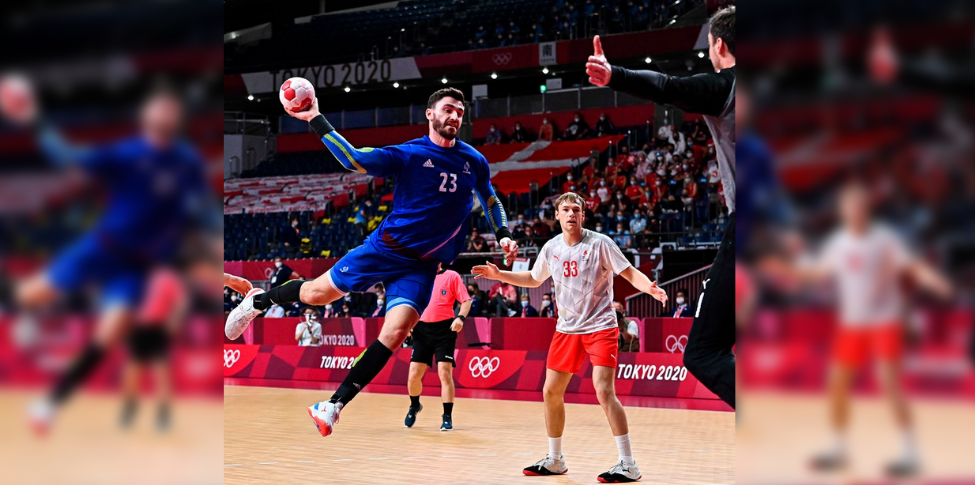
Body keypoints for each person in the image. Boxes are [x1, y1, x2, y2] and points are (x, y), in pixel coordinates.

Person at [225, 87, 519, 438]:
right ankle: (258, 301)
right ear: (430, 114)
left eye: (459, 111)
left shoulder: (474, 160)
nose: (455, 116)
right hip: (384, 250)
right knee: (318, 295)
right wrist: (315, 118)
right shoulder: (409, 153)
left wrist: (502, 231)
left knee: (394, 334)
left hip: (422, 266)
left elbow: (489, 197)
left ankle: (332, 405)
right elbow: (352, 159)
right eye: (447, 109)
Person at [1, 81, 212, 434]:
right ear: (145, 116)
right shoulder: (124, 153)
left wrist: (213, 240)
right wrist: (34, 120)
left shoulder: (186, 161)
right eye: (158, 106)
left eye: (171, 107)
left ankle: (49, 405)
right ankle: (21, 313)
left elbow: (202, 208)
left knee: (108, 335)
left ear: (178, 119)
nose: (165, 111)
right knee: (29, 295)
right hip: (101, 247)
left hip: (136, 268)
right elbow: (68, 157)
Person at [588, 6, 736, 409]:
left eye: (709, 46)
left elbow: (668, 86)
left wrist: (615, 74)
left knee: (705, 352)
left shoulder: (728, 86)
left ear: (719, 44)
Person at [472, 192, 667, 483]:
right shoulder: (551, 248)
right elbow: (534, 279)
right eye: (566, 209)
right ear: (558, 216)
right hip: (566, 330)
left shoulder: (600, 243)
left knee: (603, 391)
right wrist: (501, 274)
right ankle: (555, 459)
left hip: (600, 327)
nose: (572, 213)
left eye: (577, 209)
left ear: (583, 216)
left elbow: (628, 272)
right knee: (550, 391)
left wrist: (649, 287)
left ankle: (629, 464)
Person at [764, 183, 952, 477]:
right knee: (837, 385)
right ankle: (839, 449)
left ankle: (910, 452)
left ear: (867, 208)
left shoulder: (884, 239)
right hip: (852, 325)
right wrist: (786, 270)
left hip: (883, 321)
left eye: (859, 205)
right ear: (843, 210)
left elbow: (912, 266)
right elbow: (816, 272)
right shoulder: (839, 242)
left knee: (890, 385)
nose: (854, 210)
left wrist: (935, 282)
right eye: (849, 206)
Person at [405, 264, 471, 431]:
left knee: (444, 372)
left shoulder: (452, 276)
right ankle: (414, 405)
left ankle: (447, 416)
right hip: (421, 330)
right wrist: (407, 323)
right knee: (414, 375)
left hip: (444, 330)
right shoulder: (417, 277)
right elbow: (408, 302)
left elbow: (466, 300)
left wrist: (461, 318)